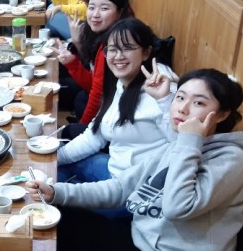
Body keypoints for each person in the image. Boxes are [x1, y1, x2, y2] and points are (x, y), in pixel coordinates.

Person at [27, 69, 243, 251]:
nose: (182, 108)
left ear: (221, 114)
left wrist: (189, 142)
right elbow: (121, 188)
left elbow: (177, 207)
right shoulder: (178, 144)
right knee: (65, 219)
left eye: (198, 102)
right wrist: (57, 192)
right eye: (180, 97)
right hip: (144, 244)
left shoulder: (231, 160)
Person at [57, 18, 177, 186]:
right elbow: (94, 136)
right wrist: (57, 157)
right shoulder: (122, 82)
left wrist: (165, 101)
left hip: (133, 187)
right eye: (113, 49)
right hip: (114, 169)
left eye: (128, 48)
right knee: (51, 164)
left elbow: (181, 144)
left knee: (55, 179)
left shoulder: (163, 91)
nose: (119, 56)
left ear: (146, 52)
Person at [56, 0, 133, 125]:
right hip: (108, 102)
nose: (95, 14)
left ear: (120, 12)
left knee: (70, 123)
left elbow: (98, 93)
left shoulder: (113, 46)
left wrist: (83, 129)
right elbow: (94, 83)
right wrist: (72, 62)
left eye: (104, 8)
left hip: (119, 114)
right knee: (81, 98)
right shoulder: (101, 35)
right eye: (91, 8)